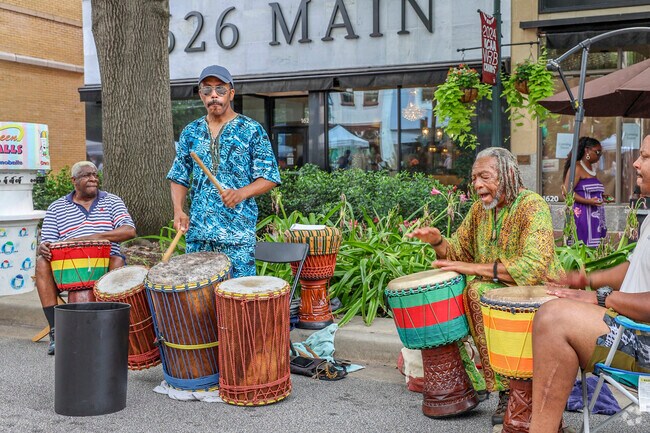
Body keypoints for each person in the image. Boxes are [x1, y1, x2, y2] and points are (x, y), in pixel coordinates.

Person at [407, 147, 563, 425]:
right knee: (476, 290)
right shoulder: (480, 211)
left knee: (478, 289)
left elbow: (533, 266)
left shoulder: (532, 205)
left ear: (506, 176)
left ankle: (520, 391)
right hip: (499, 297)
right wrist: (437, 241)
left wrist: (475, 270)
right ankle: (504, 391)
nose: (477, 185)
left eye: (485, 177)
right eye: (474, 178)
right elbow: (458, 254)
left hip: (542, 297)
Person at [530, 135, 650, 433]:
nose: (636, 163)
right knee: (557, 306)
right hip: (632, 328)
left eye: (645, 157)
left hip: (643, 342)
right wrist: (584, 279)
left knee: (553, 319)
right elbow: (635, 268)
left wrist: (601, 298)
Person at [167, 65, 280, 278]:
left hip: (237, 235)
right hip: (200, 235)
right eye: (207, 90)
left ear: (231, 93)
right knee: (200, 303)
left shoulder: (251, 129)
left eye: (220, 89)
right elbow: (179, 176)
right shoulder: (191, 132)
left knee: (237, 300)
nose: (214, 96)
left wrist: (241, 193)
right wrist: (178, 211)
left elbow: (269, 176)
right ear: (201, 95)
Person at [35, 161, 137, 355]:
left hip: (105, 264)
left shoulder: (112, 201)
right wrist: (44, 247)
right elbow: (48, 242)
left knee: (117, 260)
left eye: (95, 175)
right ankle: (56, 330)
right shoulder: (57, 208)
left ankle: (111, 331)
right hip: (68, 269)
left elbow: (129, 231)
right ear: (74, 181)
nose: (93, 178)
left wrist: (92, 237)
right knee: (41, 263)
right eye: (86, 175)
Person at [562, 137, 607, 247]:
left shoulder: (591, 169)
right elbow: (567, 192)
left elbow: (590, 190)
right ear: (587, 150)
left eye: (601, 153)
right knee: (582, 247)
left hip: (595, 217)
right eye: (597, 152)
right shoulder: (577, 167)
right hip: (582, 216)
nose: (599, 156)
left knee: (595, 249)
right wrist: (588, 201)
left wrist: (603, 196)